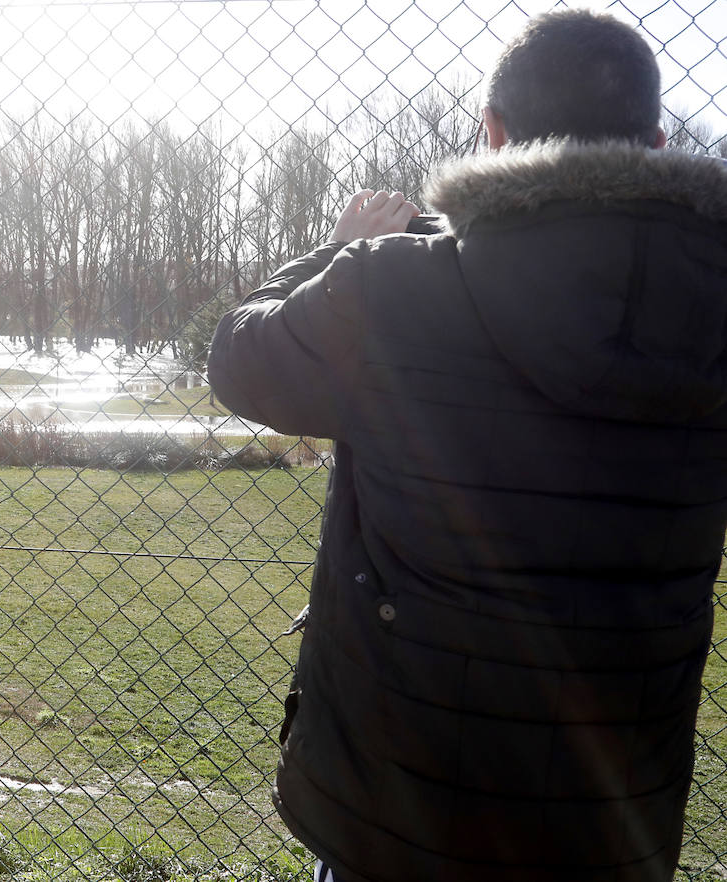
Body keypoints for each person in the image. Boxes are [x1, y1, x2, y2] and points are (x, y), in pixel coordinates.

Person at [208, 10, 727, 882]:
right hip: (613, 810)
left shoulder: (393, 287)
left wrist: (336, 252)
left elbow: (239, 362)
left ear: (492, 135)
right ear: (656, 140)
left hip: (401, 808)